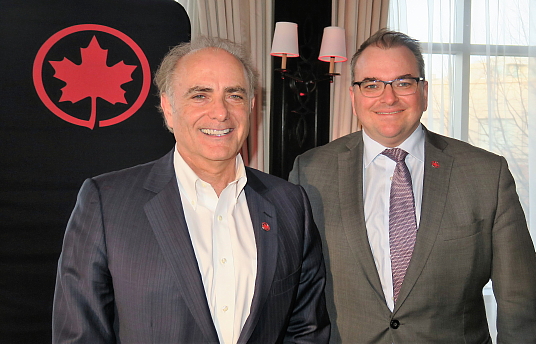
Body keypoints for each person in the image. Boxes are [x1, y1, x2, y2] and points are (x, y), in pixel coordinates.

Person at [53, 36, 330, 344]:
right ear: (169, 108)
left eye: (234, 95)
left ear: (251, 107)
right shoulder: (106, 203)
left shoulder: (290, 204)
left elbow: (307, 330)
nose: (220, 113)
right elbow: (80, 335)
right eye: (200, 95)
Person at [289, 28, 536, 343]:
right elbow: (295, 293)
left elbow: (520, 300)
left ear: (425, 93)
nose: (388, 97)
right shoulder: (310, 172)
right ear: (353, 98)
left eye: (403, 83)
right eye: (372, 84)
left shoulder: (487, 174)